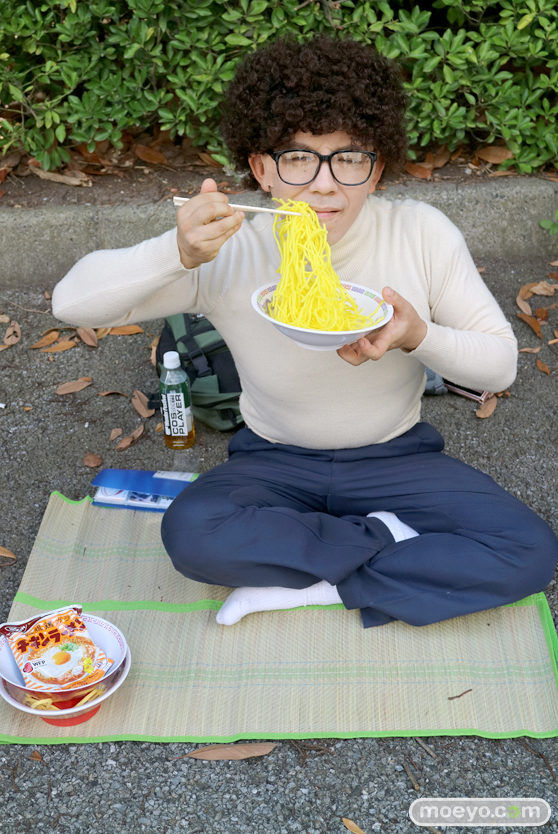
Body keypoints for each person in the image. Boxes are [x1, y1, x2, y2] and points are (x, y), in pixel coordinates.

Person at [52, 34, 557, 629]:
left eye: (349, 158)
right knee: (191, 532)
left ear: (378, 169)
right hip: (273, 460)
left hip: (395, 456)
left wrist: (421, 337)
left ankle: (312, 584)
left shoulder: (421, 233)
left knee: (531, 551)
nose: (324, 184)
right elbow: (72, 303)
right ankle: (387, 545)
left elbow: (500, 366)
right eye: (298, 157)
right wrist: (176, 249)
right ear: (263, 169)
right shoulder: (228, 246)